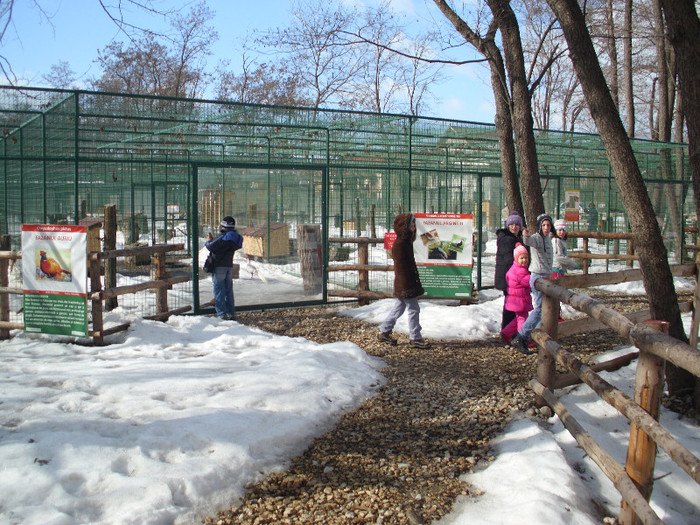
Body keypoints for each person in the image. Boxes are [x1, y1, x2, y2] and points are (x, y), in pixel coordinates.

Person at [377, 213, 430, 348]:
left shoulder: (405, 242)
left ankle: (384, 331)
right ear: (403, 226)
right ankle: (415, 337)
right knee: (413, 309)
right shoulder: (400, 244)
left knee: (399, 308)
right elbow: (401, 268)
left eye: (414, 224)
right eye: (411, 224)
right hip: (406, 283)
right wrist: (408, 284)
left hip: (405, 283)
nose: (413, 226)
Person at [510, 213, 554, 355]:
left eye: (548, 225)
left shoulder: (549, 239)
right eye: (543, 225)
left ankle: (538, 336)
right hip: (537, 277)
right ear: (540, 226)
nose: (546, 227)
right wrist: (526, 236)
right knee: (540, 308)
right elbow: (529, 241)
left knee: (547, 307)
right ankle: (522, 335)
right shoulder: (536, 238)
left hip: (547, 276)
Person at [205, 216, 243, 320]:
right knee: (228, 290)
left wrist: (208, 241)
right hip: (228, 266)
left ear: (223, 225)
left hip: (219, 266)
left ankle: (222, 314)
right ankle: (230, 312)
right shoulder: (236, 237)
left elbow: (211, 246)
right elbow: (224, 246)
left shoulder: (223, 236)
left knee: (219, 290)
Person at [494, 211, 525, 331]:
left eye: (517, 225)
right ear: (508, 226)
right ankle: (507, 330)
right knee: (511, 305)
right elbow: (509, 260)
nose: (514, 227)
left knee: (511, 304)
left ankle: (508, 329)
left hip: (510, 277)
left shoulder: (515, 238)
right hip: (509, 277)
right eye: (511, 225)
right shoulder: (508, 239)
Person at [500, 243, 533, 343]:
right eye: (522, 258)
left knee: (518, 318)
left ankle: (506, 332)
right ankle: (522, 339)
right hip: (520, 300)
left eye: (526, 258)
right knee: (522, 319)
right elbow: (528, 281)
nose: (524, 260)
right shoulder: (520, 271)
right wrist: (536, 279)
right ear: (516, 259)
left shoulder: (514, 269)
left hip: (515, 299)